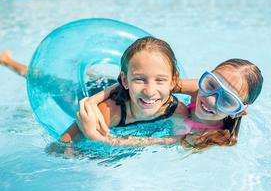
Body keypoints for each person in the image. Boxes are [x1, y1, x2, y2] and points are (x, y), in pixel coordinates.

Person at [0, 36, 189, 143]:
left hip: (113, 88)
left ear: (173, 81)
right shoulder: (108, 112)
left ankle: (92, 72)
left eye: (160, 80)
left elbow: (181, 139)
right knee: (44, 80)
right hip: (84, 94)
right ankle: (7, 60)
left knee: (101, 80)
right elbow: (64, 143)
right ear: (125, 79)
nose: (150, 91)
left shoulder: (175, 109)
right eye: (140, 79)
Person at [77, 58, 263, 151]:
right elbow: (154, 85)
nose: (210, 99)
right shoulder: (201, 89)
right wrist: (93, 100)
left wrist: (96, 137)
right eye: (211, 84)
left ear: (239, 111)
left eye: (228, 101)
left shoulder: (202, 137)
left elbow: (147, 144)